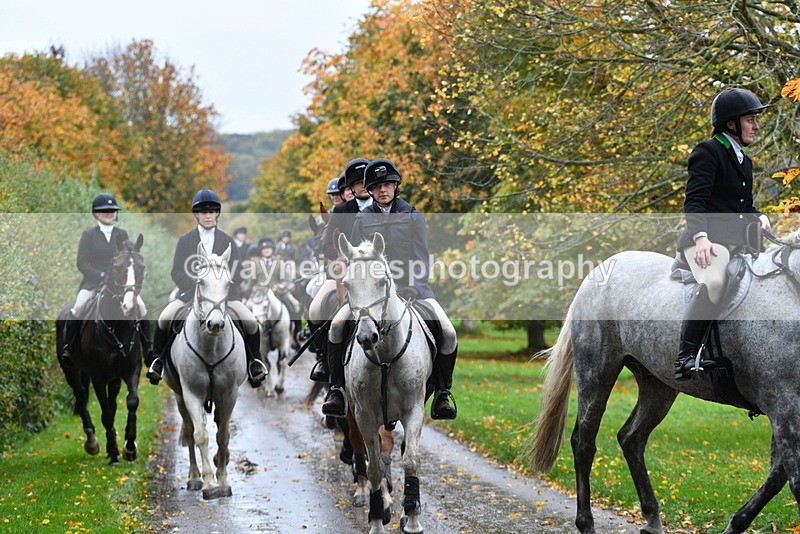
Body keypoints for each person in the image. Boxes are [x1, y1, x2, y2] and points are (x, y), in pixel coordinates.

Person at [323, 158, 459, 420]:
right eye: (377, 186)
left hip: (413, 290)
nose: (383, 190)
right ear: (370, 190)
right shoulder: (361, 218)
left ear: (396, 186)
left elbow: (421, 256)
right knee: (337, 326)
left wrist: (415, 287)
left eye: (388, 184)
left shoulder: (412, 215)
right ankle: (337, 389)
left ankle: (443, 392)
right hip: (370, 294)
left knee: (448, 331)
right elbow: (354, 257)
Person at [673, 87, 772, 380]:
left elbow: (740, 206)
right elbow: (695, 201)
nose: (756, 126)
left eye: (755, 120)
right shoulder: (708, 151)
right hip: (703, 243)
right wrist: (700, 237)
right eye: (750, 120)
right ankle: (685, 355)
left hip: (735, 243)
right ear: (731, 124)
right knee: (717, 279)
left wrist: (759, 216)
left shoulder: (744, 159)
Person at [146, 189, 268, 387]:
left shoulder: (228, 241)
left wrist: (224, 286)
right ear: (197, 215)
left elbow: (238, 272)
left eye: (211, 212)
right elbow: (176, 271)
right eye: (203, 212)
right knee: (165, 317)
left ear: (217, 214)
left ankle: (254, 363)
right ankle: (158, 361)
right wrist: (194, 284)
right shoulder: (185, 240)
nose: (208, 216)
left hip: (224, 297)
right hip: (190, 296)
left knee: (251, 322)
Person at [59, 193, 153, 369]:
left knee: (141, 307)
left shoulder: (122, 234)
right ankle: (69, 347)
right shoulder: (88, 235)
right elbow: (82, 263)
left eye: (112, 211)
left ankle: (148, 350)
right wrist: (101, 276)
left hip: (118, 285)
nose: (109, 213)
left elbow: (127, 260)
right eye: (104, 211)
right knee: (78, 307)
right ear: (96, 214)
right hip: (93, 283)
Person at [308, 158, 371, 385]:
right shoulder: (341, 210)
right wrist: (340, 256)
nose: (363, 185)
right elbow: (326, 244)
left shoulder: (385, 208)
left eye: (366, 181)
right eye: (357, 183)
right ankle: (324, 357)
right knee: (316, 308)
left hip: (376, 273)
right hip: (344, 270)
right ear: (350, 188)